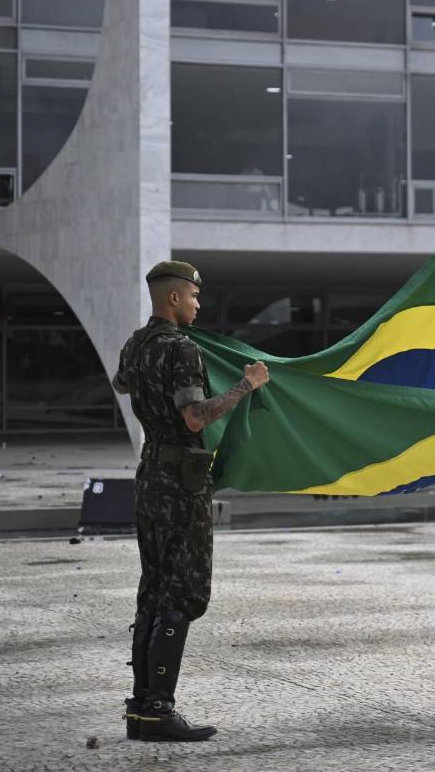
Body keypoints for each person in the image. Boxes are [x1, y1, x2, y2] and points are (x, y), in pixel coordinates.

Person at [114, 261, 270, 741]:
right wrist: (246, 385)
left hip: (149, 474)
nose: (199, 306)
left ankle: (141, 711)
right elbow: (196, 418)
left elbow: (123, 384)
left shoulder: (137, 345)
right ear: (175, 299)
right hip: (181, 481)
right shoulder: (181, 349)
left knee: (154, 589)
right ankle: (159, 711)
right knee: (182, 592)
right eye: (195, 297)